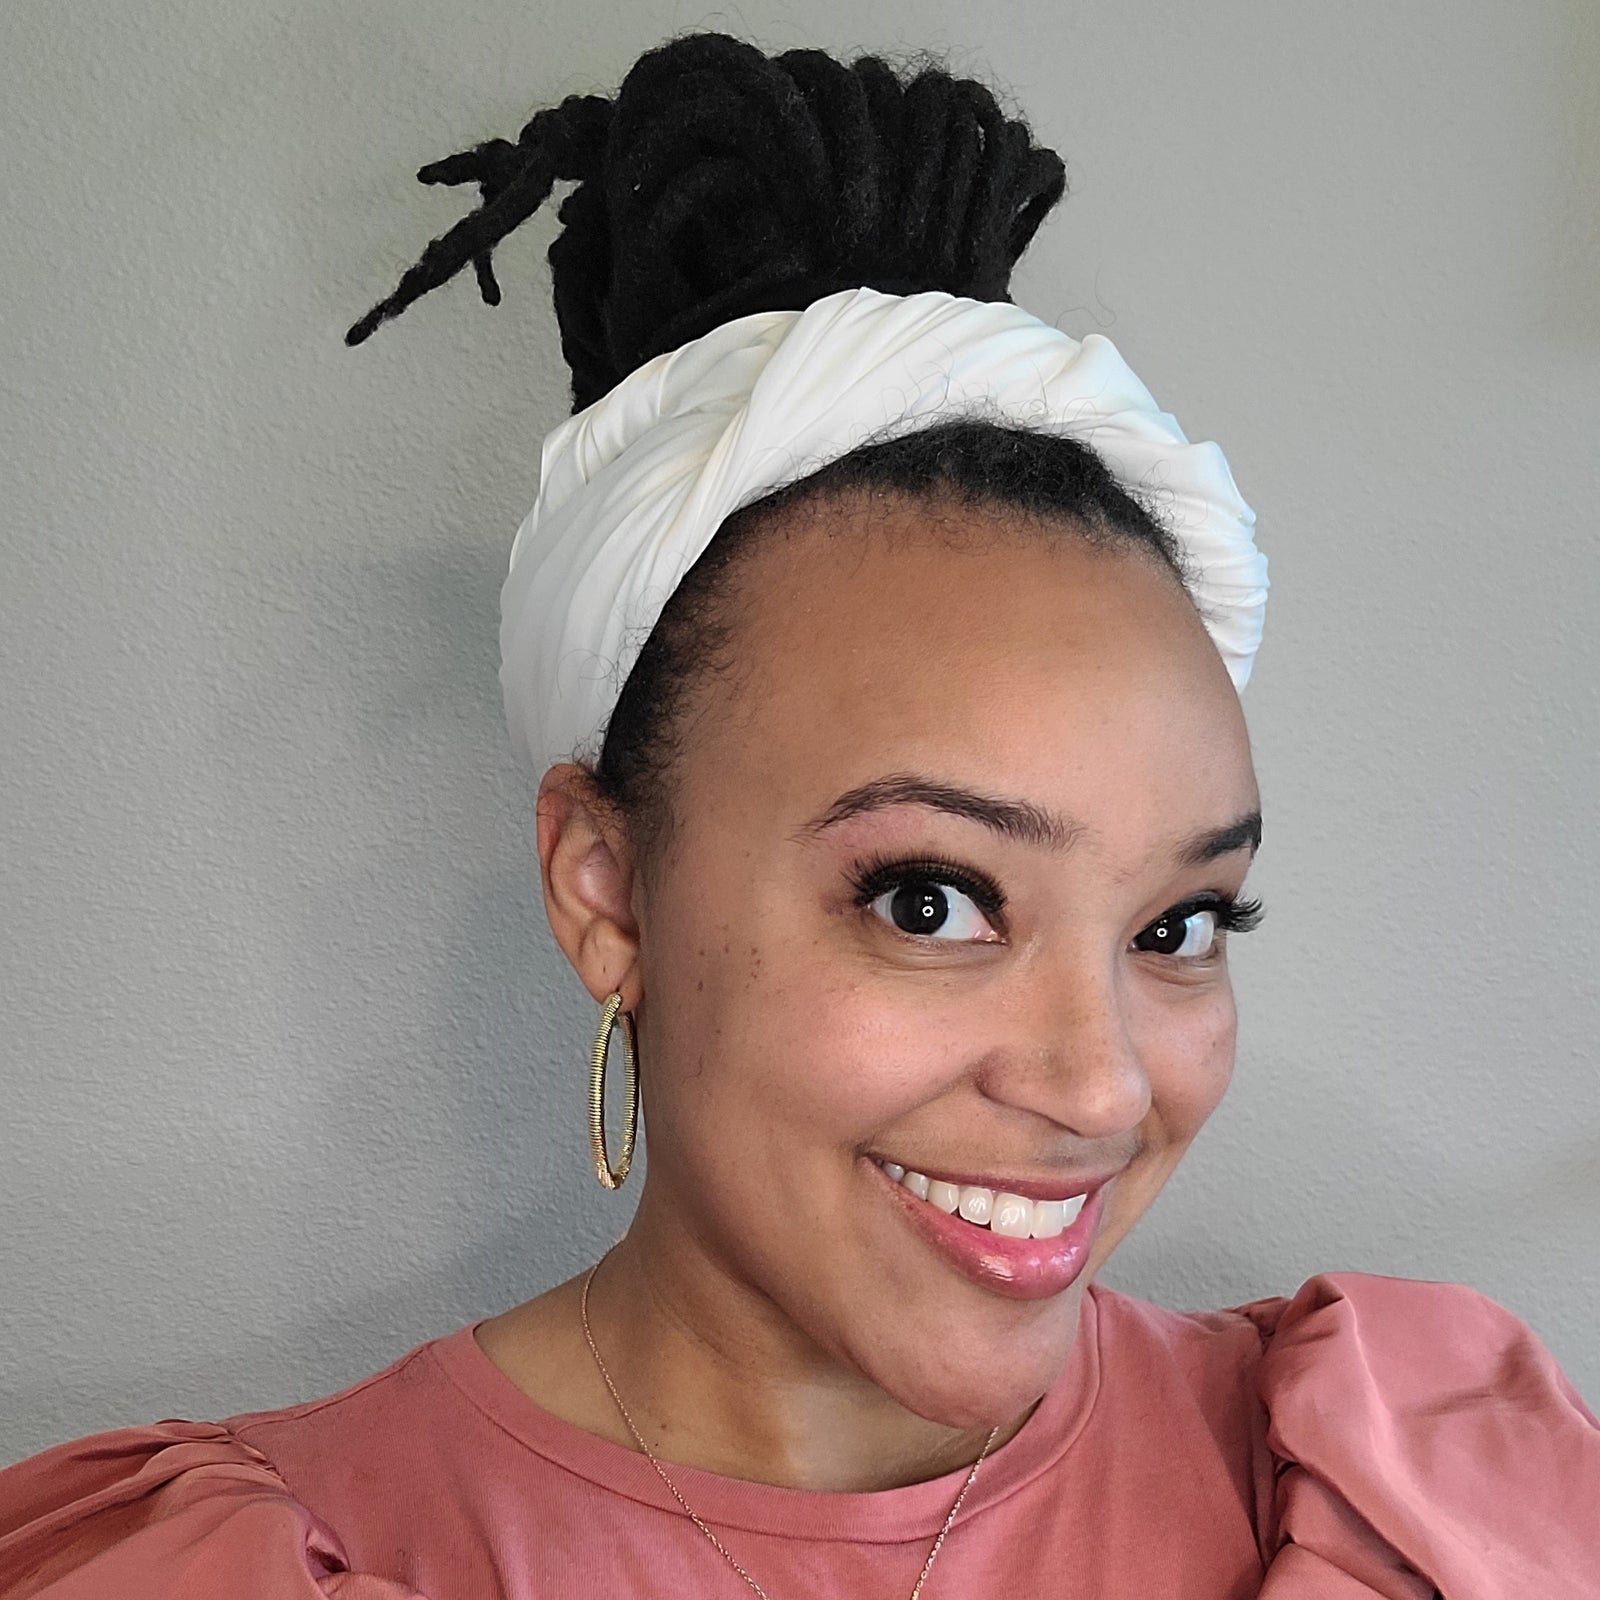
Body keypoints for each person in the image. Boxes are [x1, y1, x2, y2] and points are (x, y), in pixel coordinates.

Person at [1, 30, 1595, 1600]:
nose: (1102, 1087)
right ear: (608, 888)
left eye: (1177, 927)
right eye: (931, 899)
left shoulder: (1412, 1508)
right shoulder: (241, 1565)